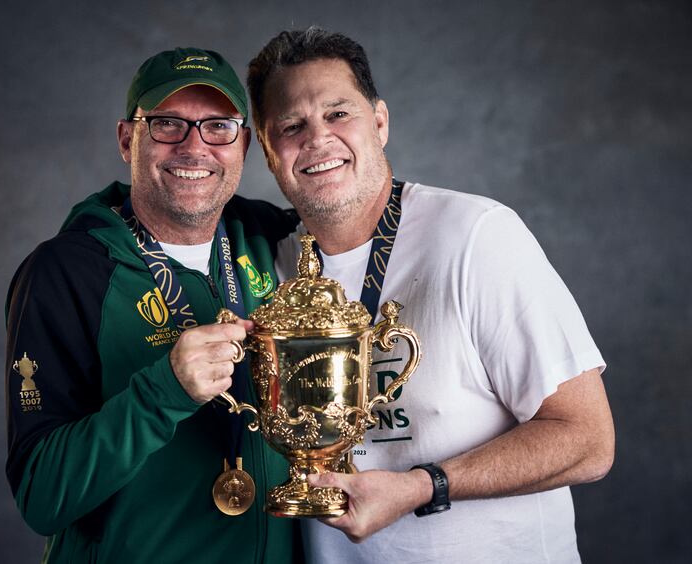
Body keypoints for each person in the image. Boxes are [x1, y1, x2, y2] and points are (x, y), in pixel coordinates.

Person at [247, 28, 615, 563]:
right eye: (291, 125)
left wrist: (424, 486)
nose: (317, 139)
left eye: (338, 114)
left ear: (379, 122)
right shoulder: (267, 265)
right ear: (267, 146)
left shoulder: (476, 235)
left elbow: (588, 440)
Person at [5, 47, 299, 563]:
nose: (195, 147)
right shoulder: (64, 273)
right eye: (167, 124)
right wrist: (162, 392)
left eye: (218, 127)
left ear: (245, 143)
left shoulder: (271, 237)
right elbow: (40, 496)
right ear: (127, 139)